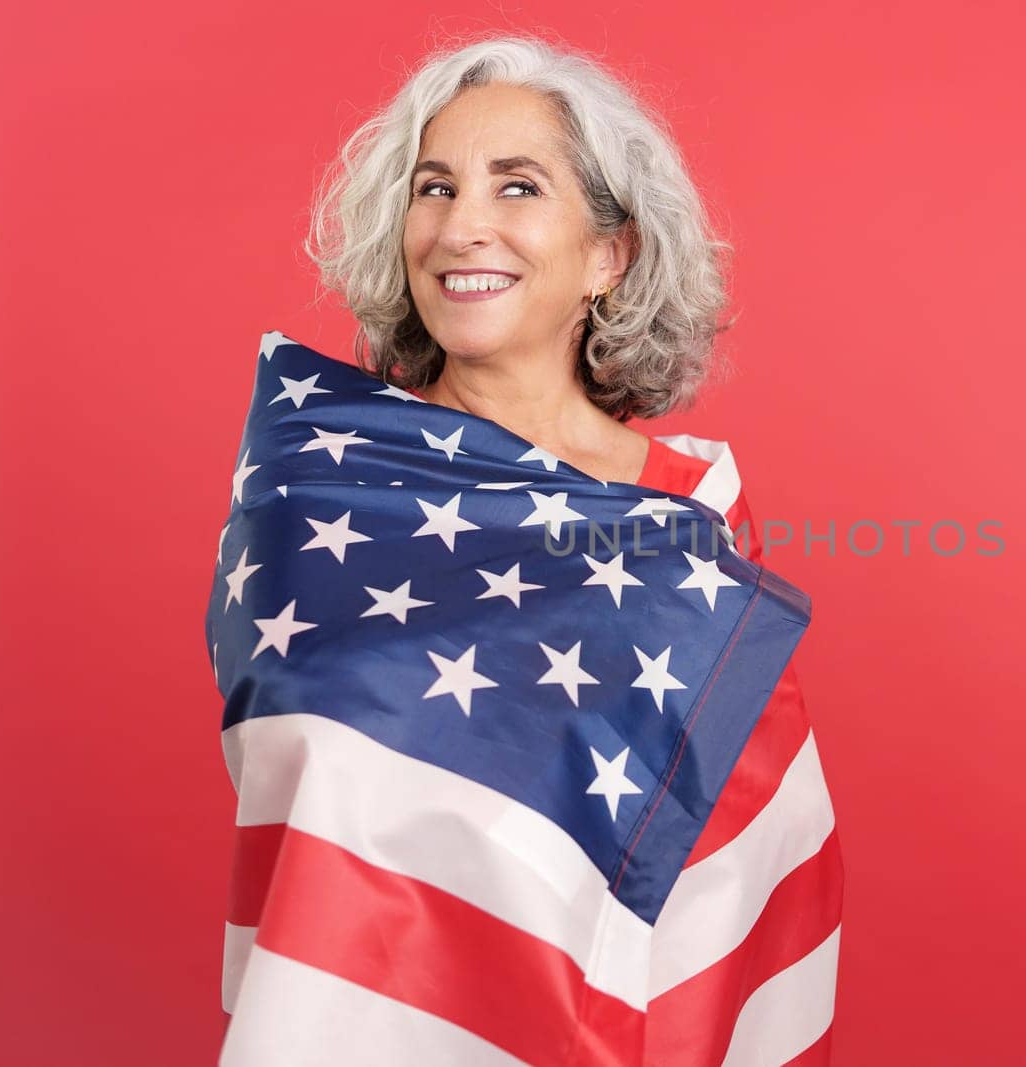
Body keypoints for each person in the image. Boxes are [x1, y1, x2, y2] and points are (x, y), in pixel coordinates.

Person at [211, 33, 843, 1066]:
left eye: (517, 187)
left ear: (610, 253)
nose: (463, 227)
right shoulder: (320, 478)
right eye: (434, 187)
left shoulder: (688, 515)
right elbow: (306, 770)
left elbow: (730, 854)